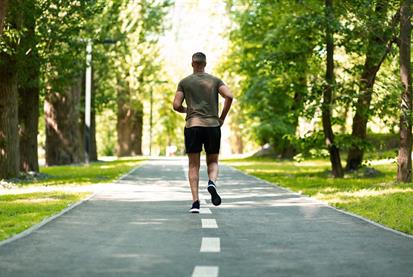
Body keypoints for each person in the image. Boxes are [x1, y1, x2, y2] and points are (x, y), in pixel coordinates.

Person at [173, 52, 233, 213]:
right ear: (205, 64)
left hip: (193, 126)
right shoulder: (215, 81)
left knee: (193, 165)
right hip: (212, 126)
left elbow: (176, 105)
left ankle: (195, 203)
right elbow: (229, 96)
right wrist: (221, 118)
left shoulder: (184, 82)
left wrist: (188, 110)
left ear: (192, 64)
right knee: (212, 161)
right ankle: (212, 182)